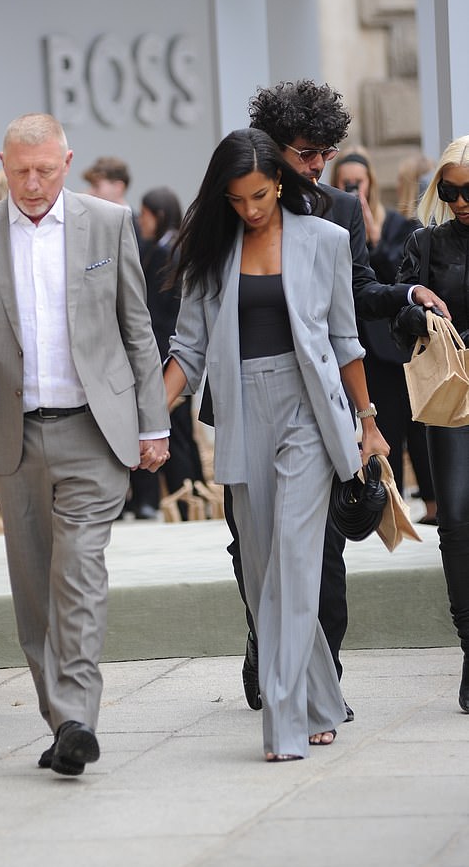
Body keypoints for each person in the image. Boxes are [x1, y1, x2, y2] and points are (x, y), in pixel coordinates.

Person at [0, 113, 170, 775]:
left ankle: (78, 714)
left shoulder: (108, 225)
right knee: (34, 590)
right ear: (2, 162)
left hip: (94, 428)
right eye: (19, 170)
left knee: (79, 574)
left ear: (67, 161)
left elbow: (137, 332)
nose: (31, 184)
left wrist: (154, 422)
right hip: (11, 435)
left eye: (45, 170)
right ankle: (61, 720)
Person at [211, 79, 447, 716]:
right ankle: (269, 642)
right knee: (251, 545)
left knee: (323, 549)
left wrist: (404, 296)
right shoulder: (231, 205)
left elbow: (358, 295)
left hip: (319, 403)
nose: (317, 163)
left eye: (326, 150)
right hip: (245, 399)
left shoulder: (339, 209)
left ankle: (325, 680)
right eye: (306, 150)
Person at [164, 128, 388, 761]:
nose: (250, 209)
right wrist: (148, 420)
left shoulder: (327, 240)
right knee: (264, 572)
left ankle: (284, 719)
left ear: (281, 182)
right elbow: (188, 349)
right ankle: (322, 697)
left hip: (309, 414)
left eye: (259, 194)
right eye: (236, 199)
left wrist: (368, 421)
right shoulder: (214, 252)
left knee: (293, 558)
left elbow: (345, 342)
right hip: (242, 413)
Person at [393, 134, 469, 714]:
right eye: (450, 191)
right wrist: (418, 311)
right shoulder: (425, 245)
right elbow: (396, 322)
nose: (461, 202)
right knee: (458, 518)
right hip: (452, 400)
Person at [330, 146, 436, 523]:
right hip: (354, 346)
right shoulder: (329, 223)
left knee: (414, 427)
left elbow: (395, 278)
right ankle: (386, 505)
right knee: (377, 425)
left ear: (371, 182)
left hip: (393, 346)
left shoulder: (393, 224)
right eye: (345, 183)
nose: (353, 188)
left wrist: (372, 237)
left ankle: (431, 504)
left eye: (358, 182)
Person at [128, 187, 204, 520]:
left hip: (167, 356)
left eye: (144, 214)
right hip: (170, 354)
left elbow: (163, 315)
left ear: (156, 215)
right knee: (176, 431)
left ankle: (186, 497)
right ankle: (188, 497)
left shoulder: (167, 253)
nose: (140, 221)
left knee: (174, 432)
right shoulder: (169, 248)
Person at [82, 156, 142, 245]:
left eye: (96, 186)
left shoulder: (140, 228)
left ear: (118, 188)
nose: (89, 192)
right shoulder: (87, 223)